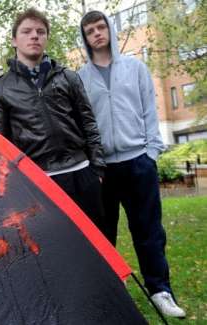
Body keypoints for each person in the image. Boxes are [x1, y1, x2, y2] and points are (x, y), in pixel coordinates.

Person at [78, 10, 185, 318]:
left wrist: (151, 153)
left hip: (139, 162)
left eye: (101, 27)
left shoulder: (136, 68)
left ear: (109, 29)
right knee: (104, 232)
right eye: (90, 31)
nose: (97, 33)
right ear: (84, 38)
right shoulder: (81, 77)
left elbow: (150, 111)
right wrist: (92, 163)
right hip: (102, 170)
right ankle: (111, 288)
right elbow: (83, 124)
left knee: (149, 231)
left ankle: (160, 291)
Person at [0, 8, 106, 233]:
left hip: (82, 173)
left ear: (46, 38)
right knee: (59, 248)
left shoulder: (68, 77)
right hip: (40, 180)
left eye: (40, 31)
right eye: (26, 32)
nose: (34, 36)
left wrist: (97, 171)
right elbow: (2, 144)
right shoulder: (1, 88)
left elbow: (89, 124)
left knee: (98, 243)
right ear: (14, 40)